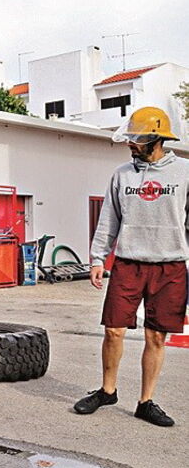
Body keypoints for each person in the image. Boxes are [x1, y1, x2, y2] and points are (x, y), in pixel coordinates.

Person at [75, 106, 189, 427]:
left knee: (156, 337)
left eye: (137, 139)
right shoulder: (122, 174)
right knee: (113, 330)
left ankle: (145, 402)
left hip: (170, 266)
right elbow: (108, 219)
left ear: (157, 139)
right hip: (128, 264)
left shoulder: (184, 172)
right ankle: (107, 391)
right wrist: (98, 258)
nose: (130, 143)